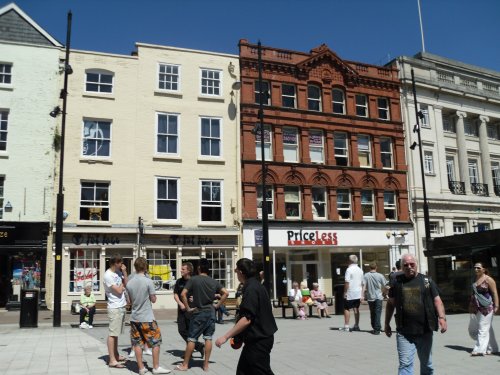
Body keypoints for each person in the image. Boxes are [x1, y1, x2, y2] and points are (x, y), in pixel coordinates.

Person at [385, 253, 447, 374]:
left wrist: (442, 318)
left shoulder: (426, 281)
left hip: (424, 331)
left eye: (412, 264)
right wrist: (386, 323)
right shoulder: (397, 283)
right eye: (406, 265)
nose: (409, 267)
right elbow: (390, 304)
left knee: (426, 364)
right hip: (404, 332)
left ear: (416, 265)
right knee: (405, 364)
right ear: (402, 267)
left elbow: (437, 300)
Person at [215, 258, 278, 375]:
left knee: (261, 371)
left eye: (236, 270)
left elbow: (246, 319)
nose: (236, 272)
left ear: (241, 272)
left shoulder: (252, 288)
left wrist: (225, 337)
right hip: (257, 338)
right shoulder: (255, 285)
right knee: (243, 372)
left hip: (259, 340)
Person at [177, 258, 228, 372]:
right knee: (208, 338)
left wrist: (188, 308)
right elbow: (225, 293)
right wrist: (217, 305)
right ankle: (205, 365)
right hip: (210, 312)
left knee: (192, 339)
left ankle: (185, 365)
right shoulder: (213, 281)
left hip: (199, 312)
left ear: (199, 268)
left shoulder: (194, 280)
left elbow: (183, 294)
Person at [126, 257, 170, 374]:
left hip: (135, 317)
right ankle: (156, 367)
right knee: (156, 341)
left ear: (135, 267)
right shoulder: (148, 281)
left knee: (137, 343)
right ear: (145, 267)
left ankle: (141, 368)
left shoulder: (129, 283)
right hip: (147, 317)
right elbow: (153, 299)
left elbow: (129, 302)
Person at [173, 262, 204, 357]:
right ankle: (199, 346)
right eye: (181, 269)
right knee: (182, 330)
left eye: (183, 269)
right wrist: (180, 303)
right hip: (182, 310)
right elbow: (175, 294)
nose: (181, 270)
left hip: (193, 310)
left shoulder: (195, 281)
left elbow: (202, 293)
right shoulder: (179, 281)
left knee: (191, 332)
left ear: (189, 270)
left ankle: (189, 353)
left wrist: (195, 298)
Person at [468, 262, 499, 356]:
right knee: (487, 328)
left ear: (484, 269)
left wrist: (496, 306)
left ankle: (479, 349)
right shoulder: (475, 279)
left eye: (478, 268)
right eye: (475, 268)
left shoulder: (489, 280)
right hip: (476, 307)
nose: (476, 269)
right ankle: (493, 348)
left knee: (482, 328)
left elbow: (494, 293)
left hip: (487, 307)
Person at [104, 254, 129, 368]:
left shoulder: (118, 273)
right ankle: (112, 360)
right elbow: (119, 290)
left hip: (121, 305)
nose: (122, 265)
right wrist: (122, 286)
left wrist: (124, 273)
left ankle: (116, 355)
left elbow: (126, 284)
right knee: (112, 333)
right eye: (120, 263)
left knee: (116, 333)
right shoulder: (108, 275)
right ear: (115, 263)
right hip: (114, 306)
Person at [362, 262, 388, 335]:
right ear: (376, 267)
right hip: (378, 297)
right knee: (378, 313)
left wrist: (362, 296)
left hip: (370, 297)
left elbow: (363, 286)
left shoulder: (366, 275)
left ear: (369, 267)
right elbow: (386, 286)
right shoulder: (380, 276)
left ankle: (375, 327)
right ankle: (377, 329)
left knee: (372, 313)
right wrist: (384, 293)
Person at [340, 254, 364, 332]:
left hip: (350, 292)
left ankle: (346, 326)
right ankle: (356, 325)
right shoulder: (360, 269)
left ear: (350, 261)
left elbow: (347, 282)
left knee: (346, 308)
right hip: (358, 292)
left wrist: (345, 292)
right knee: (356, 308)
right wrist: (362, 294)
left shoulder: (349, 269)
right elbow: (362, 282)